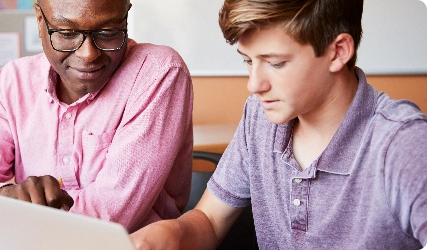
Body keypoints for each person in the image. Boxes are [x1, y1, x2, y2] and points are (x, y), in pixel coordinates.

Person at [131, 0, 427, 249]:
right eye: (248, 61)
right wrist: (173, 234)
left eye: (275, 63)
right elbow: (209, 219)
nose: (254, 84)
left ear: (338, 52)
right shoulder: (260, 117)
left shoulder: (405, 143)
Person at [0, 0, 194, 235]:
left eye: (108, 33)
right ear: (40, 21)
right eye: (67, 33)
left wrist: (5, 215)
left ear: (126, 16)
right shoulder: (14, 82)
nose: (88, 54)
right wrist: (6, 197)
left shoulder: (159, 72)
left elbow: (105, 220)